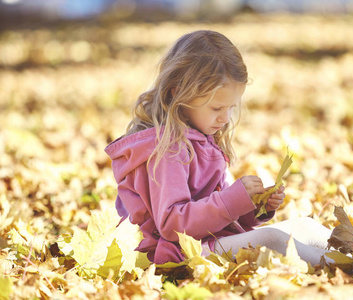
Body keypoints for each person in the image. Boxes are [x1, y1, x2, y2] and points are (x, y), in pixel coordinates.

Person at [105, 30, 332, 266]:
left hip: (209, 241)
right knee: (272, 239)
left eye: (231, 107)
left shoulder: (203, 140)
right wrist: (232, 200)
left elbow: (220, 215)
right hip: (179, 252)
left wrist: (255, 207)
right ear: (178, 93)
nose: (225, 118)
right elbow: (173, 226)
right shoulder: (167, 150)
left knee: (305, 225)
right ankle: (350, 266)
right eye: (216, 108)